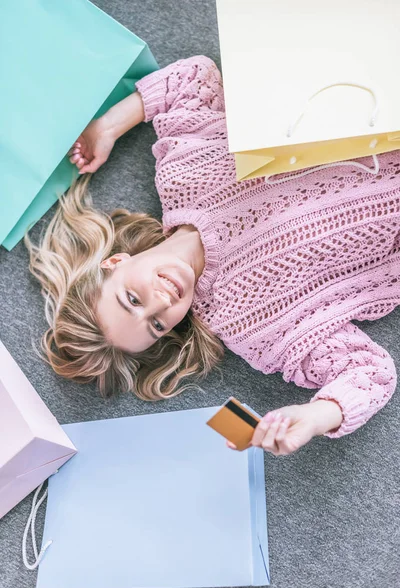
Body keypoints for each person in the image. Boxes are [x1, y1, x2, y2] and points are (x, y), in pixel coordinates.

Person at [27, 56, 400, 457]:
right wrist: (316, 417)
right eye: (156, 325)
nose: (162, 302)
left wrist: (107, 127)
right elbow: (369, 373)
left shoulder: (183, 174)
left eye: (132, 299)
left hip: (371, 95)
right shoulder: (250, 325)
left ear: (115, 262)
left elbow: (191, 79)